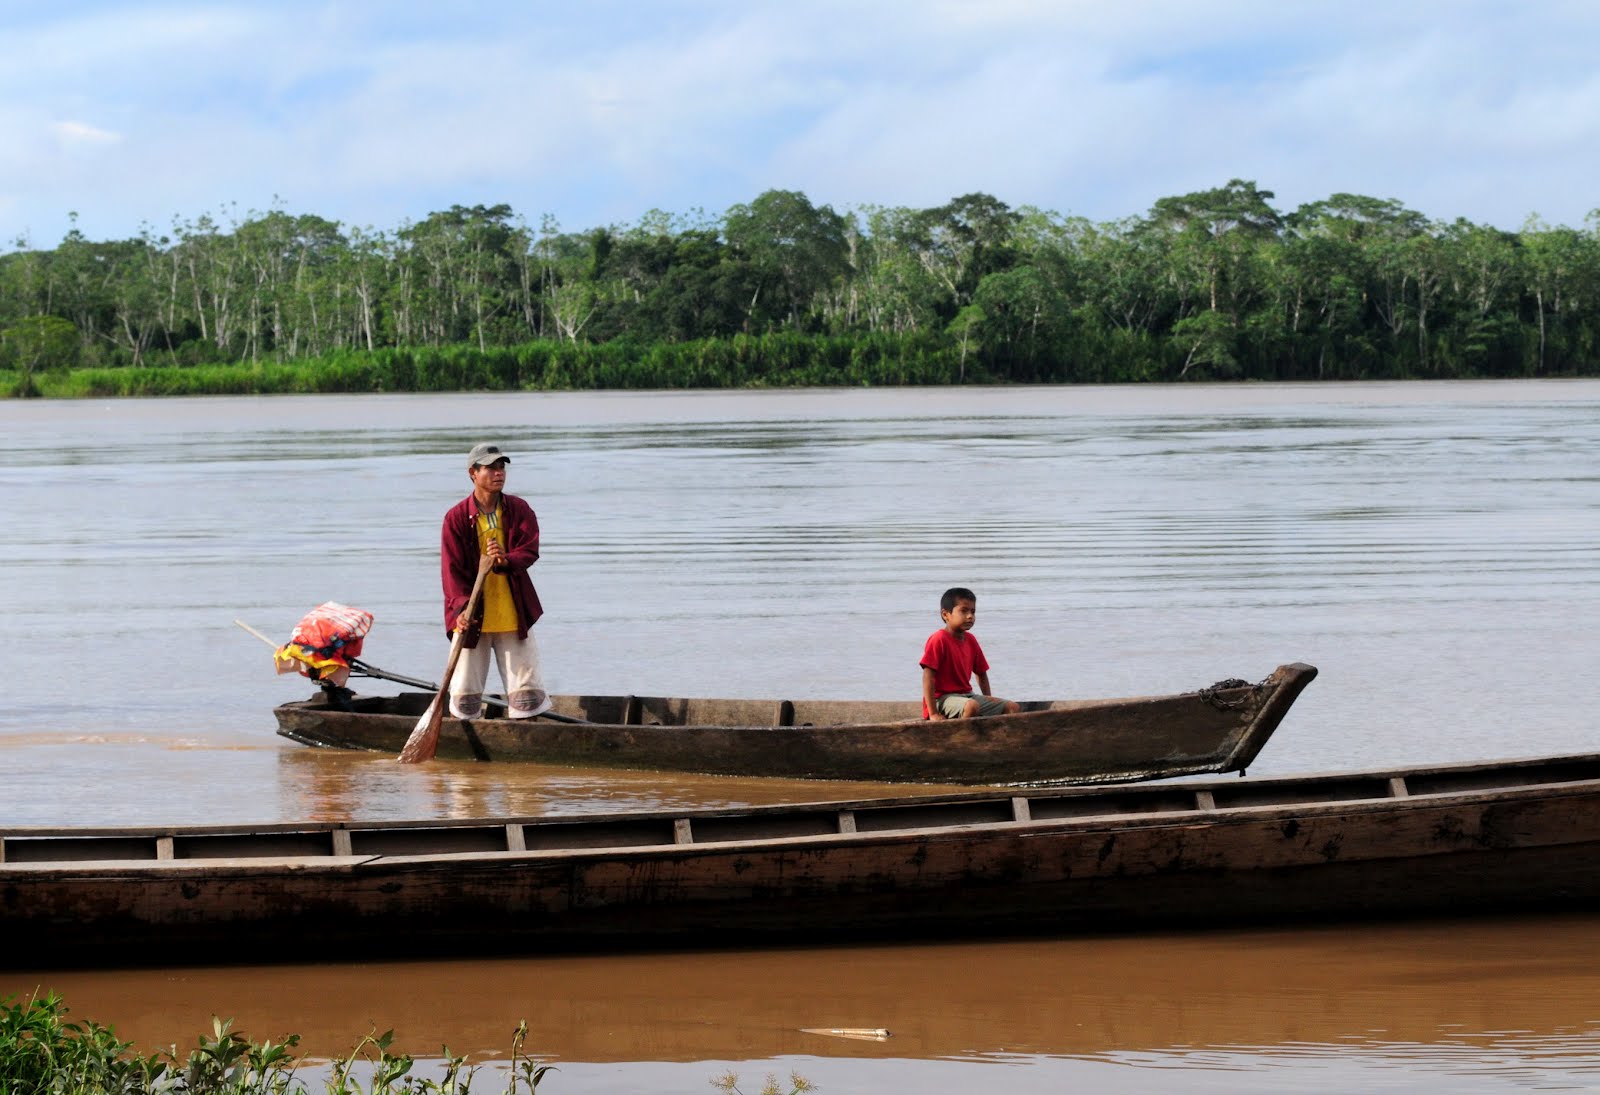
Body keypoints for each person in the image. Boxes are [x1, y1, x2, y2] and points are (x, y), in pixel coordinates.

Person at [439, 442, 551, 720]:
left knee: (526, 693)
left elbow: (529, 550)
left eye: (501, 467)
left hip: (513, 614)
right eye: (490, 468)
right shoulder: (455, 518)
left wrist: (504, 560)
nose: (498, 473)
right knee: (464, 692)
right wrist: (461, 610)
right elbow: (451, 571)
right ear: (473, 474)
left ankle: (527, 736)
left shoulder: (518, 509)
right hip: (472, 615)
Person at [920, 587, 1021, 720]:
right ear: (945, 614)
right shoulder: (939, 639)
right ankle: (960, 737)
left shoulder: (971, 640)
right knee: (971, 707)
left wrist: (989, 701)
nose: (970, 616)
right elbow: (928, 677)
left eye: (973, 612)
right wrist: (933, 713)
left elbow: (981, 673)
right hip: (942, 699)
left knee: (1012, 707)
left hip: (967, 696)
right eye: (964, 611)